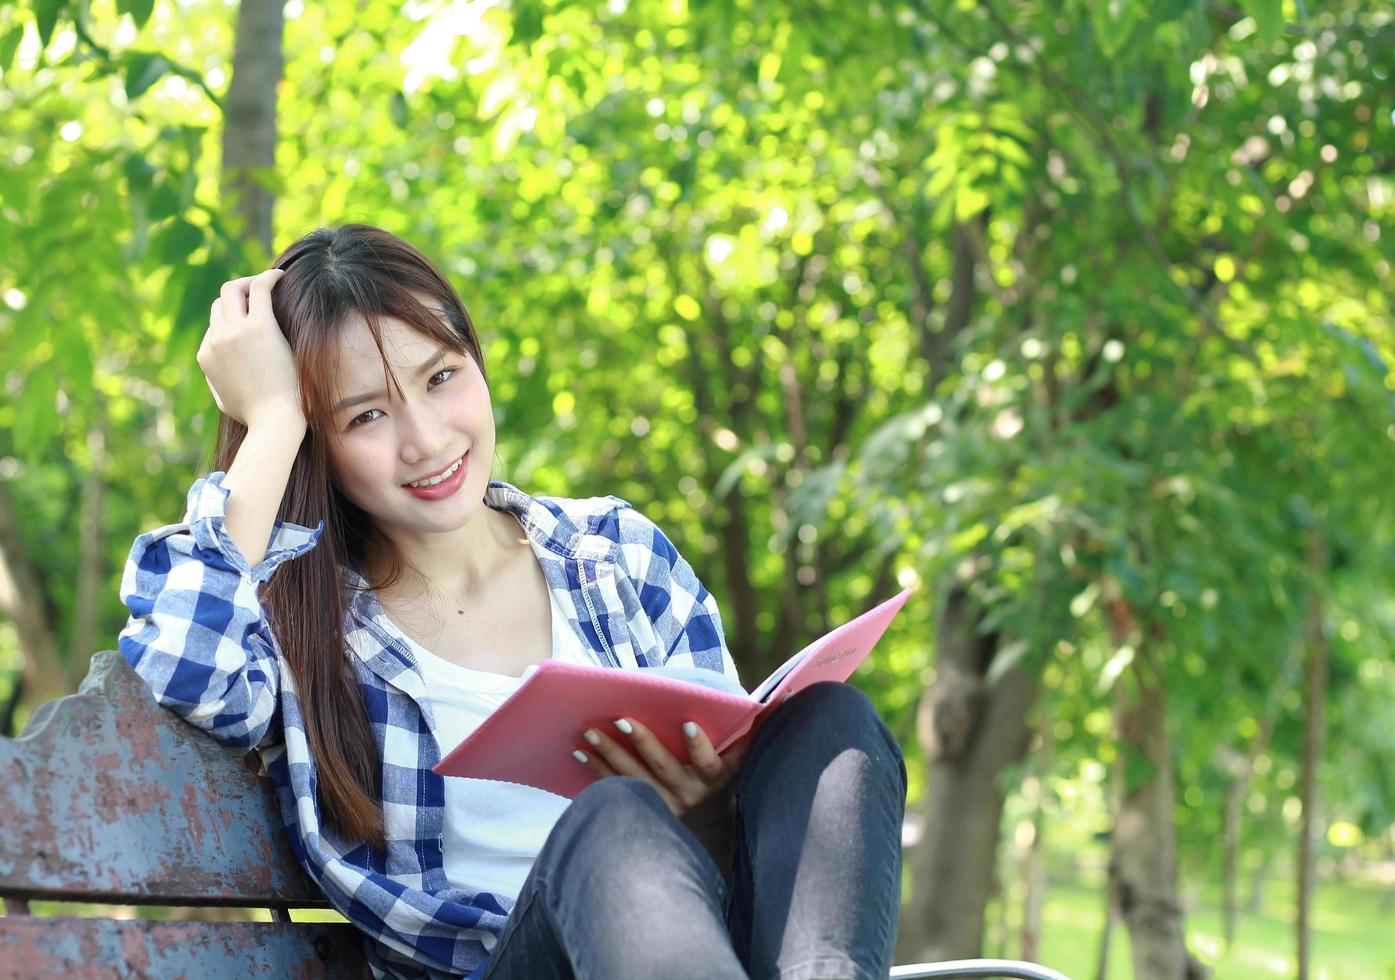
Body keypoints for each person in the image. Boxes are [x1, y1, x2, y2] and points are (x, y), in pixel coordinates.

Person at [118, 224, 907, 980]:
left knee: (833, 721)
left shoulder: (616, 555)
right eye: (365, 415)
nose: (425, 440)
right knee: (613, 819)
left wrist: (704, 812)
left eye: (440, 377)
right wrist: (271, 420)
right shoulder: (305, 626)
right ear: (317, 445)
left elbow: (750, 862)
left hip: (691, 950)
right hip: (496, 963)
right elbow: (187, 669)